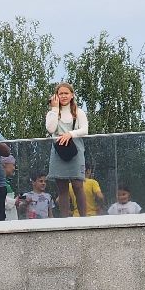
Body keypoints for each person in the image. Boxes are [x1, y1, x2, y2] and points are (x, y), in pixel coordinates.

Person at [46, 82, 89, 217]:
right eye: (60, 93)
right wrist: (54, 109)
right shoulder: (52, 113)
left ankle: (84, 218)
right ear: (56, 96)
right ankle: (65, 219)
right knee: (62, 187)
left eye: (66, 93)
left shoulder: (78, 112)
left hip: (75, 150)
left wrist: (70, 134)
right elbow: (51, 129)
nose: (64, 96)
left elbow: (85, 130)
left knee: (77, 185)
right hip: (59, 151)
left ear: (72, 95)